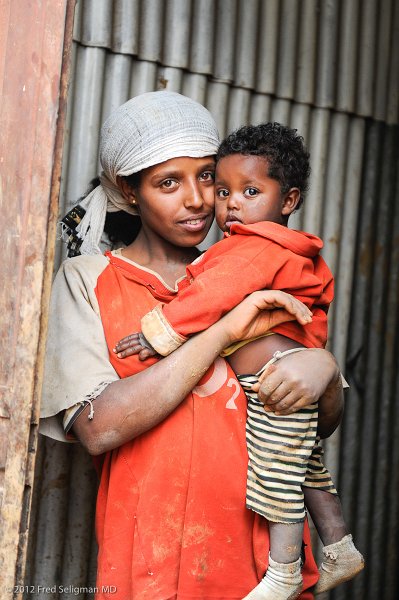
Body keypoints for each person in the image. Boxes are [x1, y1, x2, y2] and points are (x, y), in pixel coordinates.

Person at [40, 91, 345, 600]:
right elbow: (98, 429)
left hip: (262, 573)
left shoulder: (252, 267)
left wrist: (326, 373)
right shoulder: (88, 281)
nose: (200, 200)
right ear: (128, 191)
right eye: (168, 183)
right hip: (151, 566)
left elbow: (313, 424)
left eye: (207, 176)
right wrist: (222, 333)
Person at [114, 123, 364, 599]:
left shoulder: (253, 247)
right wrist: (312, 350)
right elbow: (317, 309)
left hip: (272, 387)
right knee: (305, 467)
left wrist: (160, 333)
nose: (230, 204)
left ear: (287, 200)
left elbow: (212, 295)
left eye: (251, 191)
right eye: (224, 190)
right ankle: (339, 545)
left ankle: (284, 571)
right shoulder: (295, 250)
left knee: (276, 479)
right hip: (290, 383)